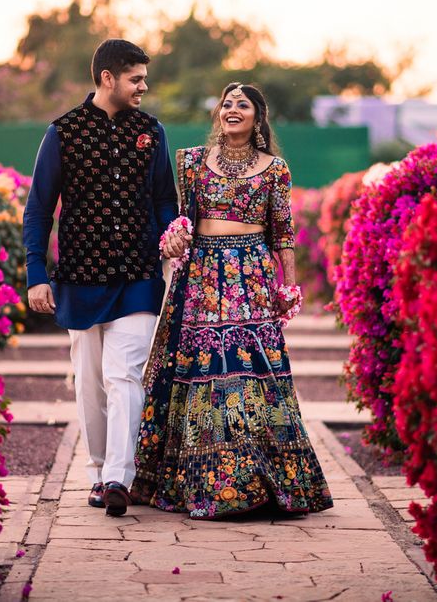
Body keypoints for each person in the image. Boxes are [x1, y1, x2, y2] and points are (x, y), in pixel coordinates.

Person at [131, 82, 333, 519]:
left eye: (242, 105)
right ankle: (209, 484)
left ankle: (260, 482)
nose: (232, 110)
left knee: (249, 374)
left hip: (253, 279)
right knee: (206, 374)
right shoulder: (189, 163)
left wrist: (289, 285)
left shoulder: (274, 169)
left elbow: (283, 231)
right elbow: (177, 216)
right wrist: (176, 234)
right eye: (226, 104)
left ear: (258, 118)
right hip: (203, 278)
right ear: (218, 114)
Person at [23, 39, 184, 517]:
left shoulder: (151, 131)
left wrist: (172, 237)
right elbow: (38, 210)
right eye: (135, 78)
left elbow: (163, 200)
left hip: (137, 276)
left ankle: (119, 476)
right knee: (90, 381)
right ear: (108, 78)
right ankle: (98, 472)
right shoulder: (63, 133)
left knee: (124, 375)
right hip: (80, 278)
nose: (143, 86)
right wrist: (37, 273)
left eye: (144, 78)